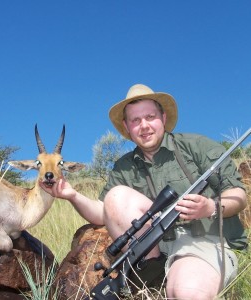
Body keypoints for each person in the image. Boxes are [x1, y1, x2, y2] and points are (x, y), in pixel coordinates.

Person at [40, 84, 247, 299]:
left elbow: (238, 195)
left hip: (203, 241)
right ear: (127, 127)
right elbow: (103, 211)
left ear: (163, 118)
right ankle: (152, 276)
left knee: (187, 292)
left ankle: (180, 278)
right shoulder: (124, 165)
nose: (144, 126)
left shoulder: (197, 146)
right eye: (135, 121)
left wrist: (210, 207)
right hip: (154, 248)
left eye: (150, 117)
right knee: (116, 196)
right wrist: (72, 195)